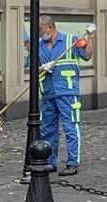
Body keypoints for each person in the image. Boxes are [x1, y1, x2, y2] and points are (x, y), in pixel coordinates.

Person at [38, 14, 96, 175]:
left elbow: (87, 55)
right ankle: (50, 163)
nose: (38, 33)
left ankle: (72, 163)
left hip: (68, 93)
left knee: (71, 128)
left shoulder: (72, 40)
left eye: (40, 29)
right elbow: (32, 70)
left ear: (49, 27)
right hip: (48, 93)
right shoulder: (39, 46)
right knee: (47, 130)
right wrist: (43, 67)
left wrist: (91, 37)